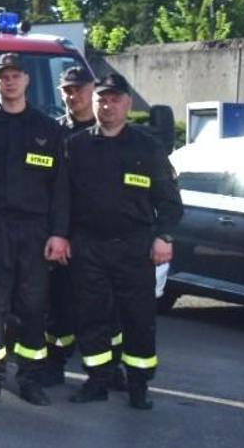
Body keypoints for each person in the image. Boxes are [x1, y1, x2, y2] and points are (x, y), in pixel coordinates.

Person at [61, 73, 181, 410]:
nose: (108, 106)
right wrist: (63, 235)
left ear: (128, 104)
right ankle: (97, 379)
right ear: (93, 102)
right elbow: (63, 198)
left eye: (115, 99)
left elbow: (170, 201)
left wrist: (164, 237)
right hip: (88, 246)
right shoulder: (77, 146)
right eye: (102, 99)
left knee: (138, 318)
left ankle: (139, 384)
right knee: (91, 317)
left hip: (134, 247)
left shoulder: (148, 147)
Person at [0, 53, 63, 406]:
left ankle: (31, 378)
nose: (10, 81)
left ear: (27, 81)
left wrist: (58, 233)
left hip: (35, 233)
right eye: (4, 76)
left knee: (33, 307)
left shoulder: (49, 131)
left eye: (16, 75)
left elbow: (60, 189)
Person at [46, 65, 99, 383]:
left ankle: (105, 370)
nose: (73, 95)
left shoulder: (109, 130)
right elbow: (46, 186)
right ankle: (56, 363)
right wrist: (57, 233)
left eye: (79, 88)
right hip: (64, 232)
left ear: (92, 89)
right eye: (67, 89)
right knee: (60, 304)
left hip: (99, 234)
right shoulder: (53, 133)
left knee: (102, 307)